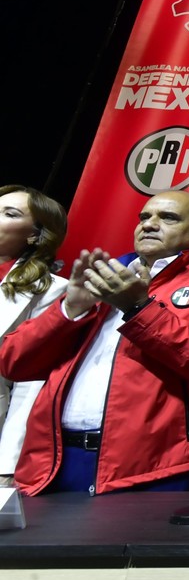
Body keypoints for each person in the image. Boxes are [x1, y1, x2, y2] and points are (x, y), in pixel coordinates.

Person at [0, 190, 189, 494]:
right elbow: (13, 362)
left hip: (155, 466)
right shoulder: (103, 275)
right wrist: (70, 310)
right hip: (56, 459)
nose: (149, 224)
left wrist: (138, 309)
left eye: (167, 217)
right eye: (144, 217)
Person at [0, 185, 69, 487]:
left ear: (34, 234)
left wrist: (6, 463)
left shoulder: (52, 289)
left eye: (9, 213)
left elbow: (31, 386)